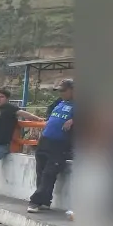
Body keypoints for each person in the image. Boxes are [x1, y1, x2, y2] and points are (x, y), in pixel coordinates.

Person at [0, 88, 42, 196]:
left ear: (7, 99)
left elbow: (24, 114)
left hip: (0, 145)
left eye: (1, 97)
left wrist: (39, 119)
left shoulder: (10, 108)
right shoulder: (1, 109)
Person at [28, 80, 74, 213]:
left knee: (49, 173)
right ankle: (45, 201)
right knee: (41, 172)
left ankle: (35, 201)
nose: (61, 93)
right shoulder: (59, 103)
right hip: (45, 140)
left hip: (60, 144)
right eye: (59, 91)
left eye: (63, 90)